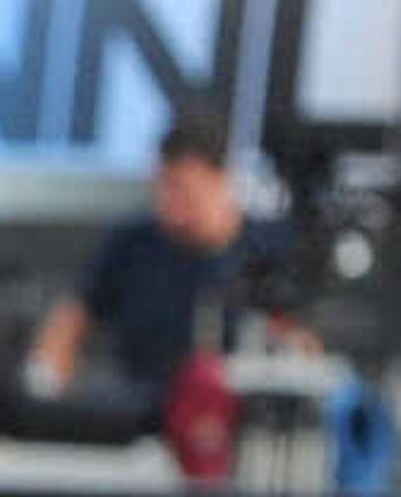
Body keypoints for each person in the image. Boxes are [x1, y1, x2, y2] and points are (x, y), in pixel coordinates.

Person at [20, 110, 285, 441]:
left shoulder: (267, 251)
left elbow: (297, 343)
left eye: (185, 191)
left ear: (221, 181)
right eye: (163, 188)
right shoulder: (132, 242)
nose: (170, 205)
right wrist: (43, 387)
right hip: (141, 424)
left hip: (236, 431)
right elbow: (71, 318)